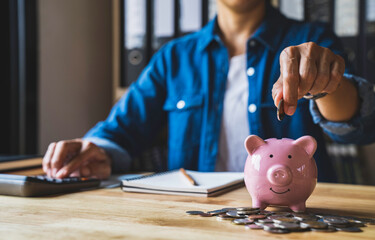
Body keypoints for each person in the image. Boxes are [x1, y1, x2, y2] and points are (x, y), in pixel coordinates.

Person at [42, 0, 375, 182]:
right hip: (194, 221)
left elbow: (360, 129)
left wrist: (327, 84)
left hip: (289, 220)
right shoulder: (174, 57)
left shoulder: (313, 39)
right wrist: (95, 151)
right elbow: (122, 129)